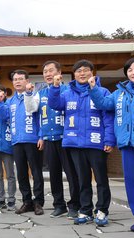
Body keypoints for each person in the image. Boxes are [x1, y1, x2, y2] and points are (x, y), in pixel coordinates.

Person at [88, 58, 134, 233]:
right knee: (132, 182)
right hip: (127, 143)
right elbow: (104, 104)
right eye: (130, 70)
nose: (133, 72)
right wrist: (94, 88)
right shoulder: (119, 93)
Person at [48, 59, 114, 226]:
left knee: (101, 179)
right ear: (74, 74)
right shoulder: (67, 92)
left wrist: (109, 140)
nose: (82, 73)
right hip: (75, 143)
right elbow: (55, 104)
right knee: (82, 179)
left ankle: (102, 210)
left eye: (85, 70)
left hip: (96, 143)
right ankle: (85, 210)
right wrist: (55, 87)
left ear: (92, 72)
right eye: (78, 71)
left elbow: (108, 118)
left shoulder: (102, 91)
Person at [25, 60, 80, 218]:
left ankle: (75, 205)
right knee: (54, 174)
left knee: (71, 174)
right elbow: (33, 111)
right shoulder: (40, 93)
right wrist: (28, 94)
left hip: (66, 138)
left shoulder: (68, 90)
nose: (48, 74)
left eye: (51, 71)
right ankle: (59, 205)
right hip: (49, 138)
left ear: (59, 73)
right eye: (45, 72)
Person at [5, 69, 44, 215]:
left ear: (27, 81)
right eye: (15, 79)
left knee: (36, 172)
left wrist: (41, 136)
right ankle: (27, 201)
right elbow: (6, 119)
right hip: (17, 141)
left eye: (20, 79)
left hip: (33, 140)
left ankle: (38, 202)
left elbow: (40, 118)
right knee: (21, 174)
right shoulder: (11, 101)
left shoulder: (35, 95)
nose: (17, 82)